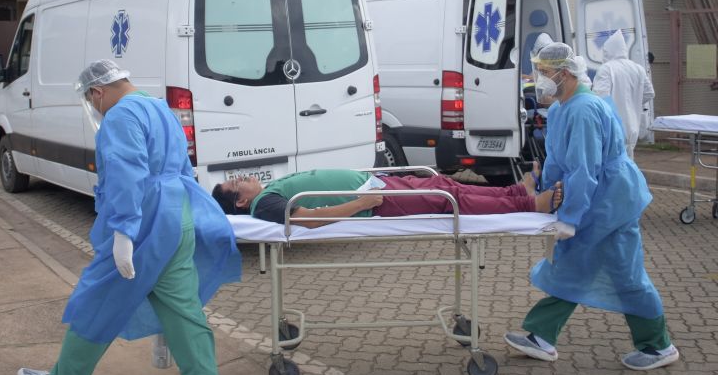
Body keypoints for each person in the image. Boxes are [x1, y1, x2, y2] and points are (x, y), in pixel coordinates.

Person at [17, 60, 242, 375]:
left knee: (99, 299)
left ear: (98, 91)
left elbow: (126, 173)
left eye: (92, 101)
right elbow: (183, 166)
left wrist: (123, 231)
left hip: (143, 222)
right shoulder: (159, 108)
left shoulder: (120, 117)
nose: (94, 107)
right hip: (176, 215)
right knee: (182, 307)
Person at [504, 42, 678, 371]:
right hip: (603, 198)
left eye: (544, 73)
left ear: (565, 73)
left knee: (594, 265)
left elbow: (585, 171)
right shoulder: (559, 108)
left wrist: (569, 218)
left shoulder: (584, 109)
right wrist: (544, 194)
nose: (539, 80)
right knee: (601, 267)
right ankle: (545, 336)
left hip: (611, 199)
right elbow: (557, 160)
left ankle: (656, 346)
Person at [212, 167, 561, 228]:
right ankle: (529, 205)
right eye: (234, 185)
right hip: (373, 200)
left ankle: (517, 192)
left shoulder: (266, 191)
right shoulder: (265, 206)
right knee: (445, 197)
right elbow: (307, 219)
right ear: (241, 202)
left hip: (373, 185)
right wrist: (361, 205)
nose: (240, 179)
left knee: (443, 185)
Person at [592, 30, 655, 159]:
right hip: (632, 129)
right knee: (628, 165)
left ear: (608, 50)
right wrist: (634, 102)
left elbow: (599, 98)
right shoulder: (638, 69)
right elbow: (649, 93)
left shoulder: (607, 68)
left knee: (612, 170)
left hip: (612, 129)